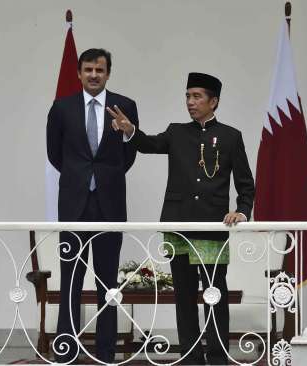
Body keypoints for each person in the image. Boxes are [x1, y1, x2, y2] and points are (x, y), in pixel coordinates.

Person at [108, 72, 255, 365]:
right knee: (184, 295)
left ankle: (217, 356)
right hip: (178, 225)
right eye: (187, 96)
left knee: (215, 294)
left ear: (214, 101)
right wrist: (130, 130)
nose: (190, 102)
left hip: (213, 226)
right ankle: (190, 356)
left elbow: (245, 183)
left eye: (197, 96)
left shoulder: (230, 136)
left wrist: (241, 210)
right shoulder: (176, 132)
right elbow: (149, 144)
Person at [46, 48, 139, 363]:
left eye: (99, 70)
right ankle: (66, 351)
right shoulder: (62, 108)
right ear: (79, 73)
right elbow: (55, 155)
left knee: (107, 283)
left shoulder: (124, 106)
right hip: (73, 205)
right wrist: (81, 178)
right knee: (70, 279)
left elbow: (129, 154)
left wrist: (104, 177)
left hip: (109, 205)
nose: (94, 75)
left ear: (108, 73)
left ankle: (106, 353)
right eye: (88, 70)